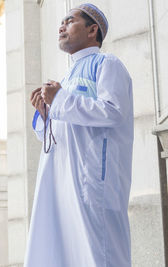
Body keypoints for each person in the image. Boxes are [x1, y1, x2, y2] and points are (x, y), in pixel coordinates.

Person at [24, 3, 133, 267]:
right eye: (61, 22)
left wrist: (60, 99)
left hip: (92, 184)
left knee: (99, 255)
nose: (61, 26)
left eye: (69, 21)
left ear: (92, 29)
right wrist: (46, 113)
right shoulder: (67, 77)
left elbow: (113, 112)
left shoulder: (107, 64)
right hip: (61, 184)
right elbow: (57, 134)